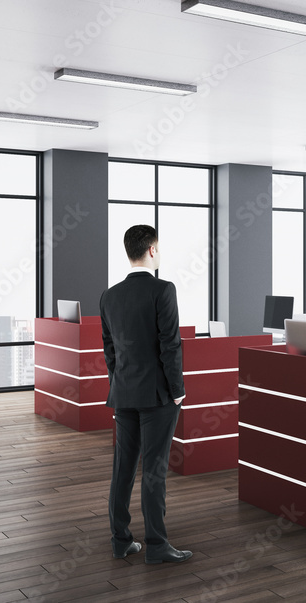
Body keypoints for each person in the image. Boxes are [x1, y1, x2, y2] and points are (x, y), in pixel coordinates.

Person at [100, 224, 192, 564]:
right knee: (154, 469)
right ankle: (156, 546)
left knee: (123, 468)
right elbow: (170, 346)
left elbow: (109, 351)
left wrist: (119, 381)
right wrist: (178, 391)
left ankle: (120, 541)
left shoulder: (109, 296)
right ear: (152, 250)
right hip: (157, 396)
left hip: (122, 393)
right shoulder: (163, 290)